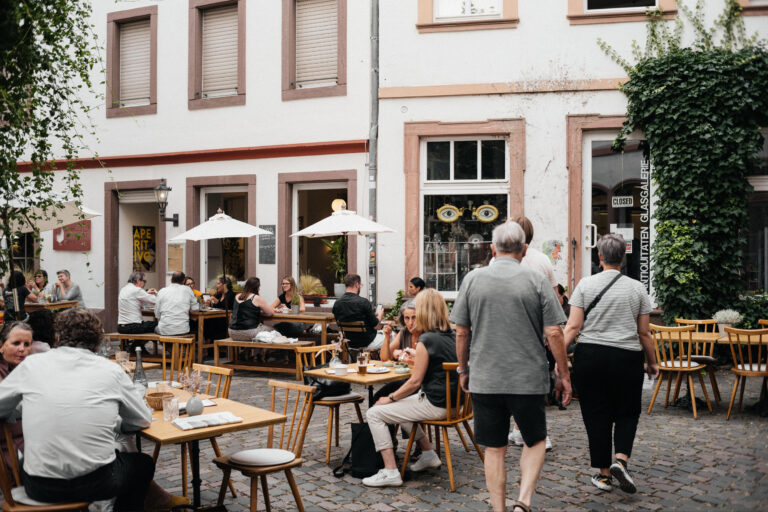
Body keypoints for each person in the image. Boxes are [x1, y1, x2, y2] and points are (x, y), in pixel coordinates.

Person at [0, 309, 178, 511]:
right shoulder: (110, 370)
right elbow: (142, 421)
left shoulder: (31, 364)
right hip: (95, 483)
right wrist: (118, 424)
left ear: (57, 337)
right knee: (142, 464)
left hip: (41, 486)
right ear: (98, 341)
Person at [450, 221, 570, 512]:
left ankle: (498, 508)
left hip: (486, 376)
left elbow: (462, 331)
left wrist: (463, 369)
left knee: (494, 447)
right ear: (524, 249)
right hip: (527, 377)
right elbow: (554, 332)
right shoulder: (537, 280)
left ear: (492, 248)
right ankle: (523, 502)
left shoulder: (473, 280)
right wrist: (563, 373)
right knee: (535, 439)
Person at [562, 233, 658, 494]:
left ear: (599, 257)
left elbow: (572, 326)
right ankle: (622, 461)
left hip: (590, 357)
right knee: (628, 411)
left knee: (596, 414)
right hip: (626, 357)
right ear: (624, 258)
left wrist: (556, 357)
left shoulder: (585, 285)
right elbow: (644, 333)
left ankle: (604, 475)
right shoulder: (637, 288)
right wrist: (653, 362)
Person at [362, 289, 457, 487]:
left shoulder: (427, 339)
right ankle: (428, 453)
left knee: (375, 413)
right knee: (403, 407)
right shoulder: (451, 335)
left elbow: (414, 382)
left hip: (436, 404)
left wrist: (391, 398)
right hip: (455, 404)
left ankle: (390, 471)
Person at [508, 216, 559, 451]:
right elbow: (555, 297)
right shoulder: (542, 260)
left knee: (515, 383)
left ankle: (538, 434)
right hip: (537, 330)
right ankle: (521, 430)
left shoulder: (500, 260)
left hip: (509, 330)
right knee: (533, 382)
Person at [372, 301, 420, 404]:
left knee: (389, 399)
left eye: (414, 317)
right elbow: (384, 358)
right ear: (403, 319)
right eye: (407, 318)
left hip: (420, 383)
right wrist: (387, 337)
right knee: (377, 397)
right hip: (406, 380)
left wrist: (402, 355)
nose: (411, 323)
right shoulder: (404, 332)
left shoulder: (427, 334)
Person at [0, 322, 32, 467]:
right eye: (16, 343)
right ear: (1, 346)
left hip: (32, 442)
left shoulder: (29, 369)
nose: (22, 349)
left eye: (27, 344)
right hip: (9, 448)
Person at [332, 274, 385, 349]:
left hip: (350, 343)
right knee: (393, 338)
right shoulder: (363, 302)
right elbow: (375, 324)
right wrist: (380, 315)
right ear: (357, 285)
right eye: (361, 285)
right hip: (369, 341)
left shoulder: (337, 304)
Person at [155, 271, 197, 336]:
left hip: (165, 330)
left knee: (155, 328)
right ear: (183, 281)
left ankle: (166, 345)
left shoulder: (162, 291)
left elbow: (157, 314)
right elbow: (195, 309)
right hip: (183, 329)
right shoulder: (188, 290)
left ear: (171, 280)